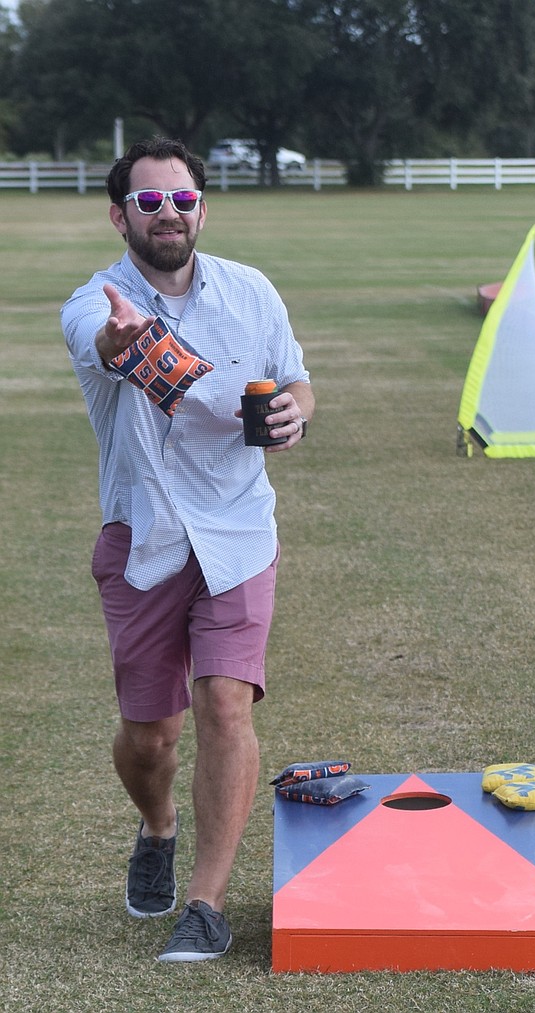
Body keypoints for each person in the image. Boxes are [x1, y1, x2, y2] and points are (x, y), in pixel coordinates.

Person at [62, 137, 314, 959]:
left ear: (202, 209)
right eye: (148, 202)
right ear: (119, 215)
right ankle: (158, 821)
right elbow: (103, 346)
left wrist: (294, 412)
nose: (167, 213)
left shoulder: (251, 291)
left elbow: (295, 378)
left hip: (239, 530)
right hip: (145, 536)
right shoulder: (93, 303)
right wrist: (124, 337)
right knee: (151, 737)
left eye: (181, 200)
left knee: (224, 705)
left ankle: (205, 902)